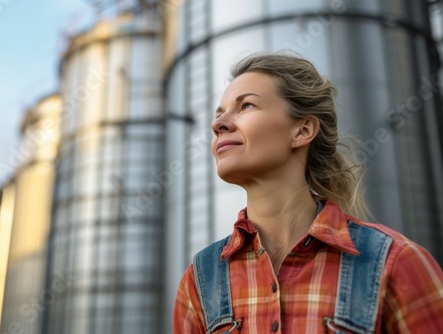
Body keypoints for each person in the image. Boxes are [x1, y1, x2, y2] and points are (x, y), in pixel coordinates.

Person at [172, 52, 443, 333]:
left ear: (302, 130)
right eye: (219, 115)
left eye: (247, 105)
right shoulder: (200, 280)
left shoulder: (395, 263)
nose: (218, 125)